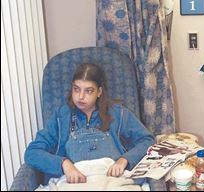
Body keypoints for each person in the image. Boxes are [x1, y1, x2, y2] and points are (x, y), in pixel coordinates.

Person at [25, 63, 155, 184]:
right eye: (76, 89)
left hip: (112, 181)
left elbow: (147, 141)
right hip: (75, 184)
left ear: (99, 92)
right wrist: (64, 164)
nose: (80, 97)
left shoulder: (118, 114)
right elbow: (32, 153)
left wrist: (124, 160)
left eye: (88, 91)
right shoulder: (61, 117)